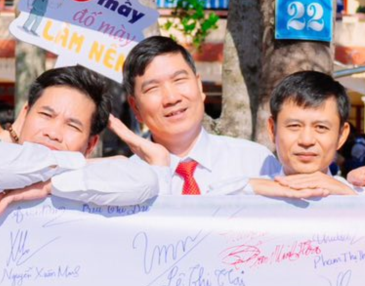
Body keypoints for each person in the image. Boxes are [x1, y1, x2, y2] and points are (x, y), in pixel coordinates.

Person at [0, 65, 158, 219]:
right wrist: (75, 162)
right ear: (25, 115)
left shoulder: (97, 179)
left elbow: (146, 181)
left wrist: (47, 186)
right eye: (46, 115)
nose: (53, 133)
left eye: (72, 126)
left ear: (91, 145)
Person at [117, 35, 274, 195]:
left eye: (179, 80)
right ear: (135, 107)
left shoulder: (257, 162)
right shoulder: (124, 181)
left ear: (199, 86)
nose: (171, 98)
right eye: (152, 88)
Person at [247, 70, 365, 200]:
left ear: (341, 135)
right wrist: (249, 187)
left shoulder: (362, 196)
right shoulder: (246, 193)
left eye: (321, 127)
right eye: (294, 126)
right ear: (272, 129)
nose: (306, 140)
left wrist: (351, 200)